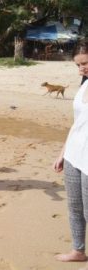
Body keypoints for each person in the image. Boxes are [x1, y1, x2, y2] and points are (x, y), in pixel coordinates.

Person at [54, 42, 88, 266]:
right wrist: (62, 152)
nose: (81, 69)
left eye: (85, 63)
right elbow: (77, 123)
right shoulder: (84, 86)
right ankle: (78, 250)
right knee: (75, 206)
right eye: (78, 65)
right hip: (74, 153)